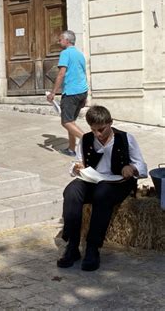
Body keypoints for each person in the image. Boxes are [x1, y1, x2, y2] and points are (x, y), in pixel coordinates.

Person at [57, 105, 147, 271]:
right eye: (94, 130)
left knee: (102, 193)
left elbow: (141, 165)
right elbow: (77, 162)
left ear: (110, 123)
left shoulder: (126, 138)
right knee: (71, 191)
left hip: (118, 183)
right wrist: (77, 167)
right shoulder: (86, 139)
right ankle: (72, 246)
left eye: (102, 129)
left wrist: (131, 168)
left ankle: (92, 248)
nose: (98, 134)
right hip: (93, 180)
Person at [47, 30, 88, 157]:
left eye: (60, 39)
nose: (58, 42)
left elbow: (61, 74)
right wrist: (86, 95)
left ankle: (91, 142)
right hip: (82, 91)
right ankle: (71, 149)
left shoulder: (65, 53)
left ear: (67, 40)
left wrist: (53, 92)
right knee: (71, 121)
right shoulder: (80, 54)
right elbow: (84, 73)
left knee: (66, 122)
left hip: (71, 93)